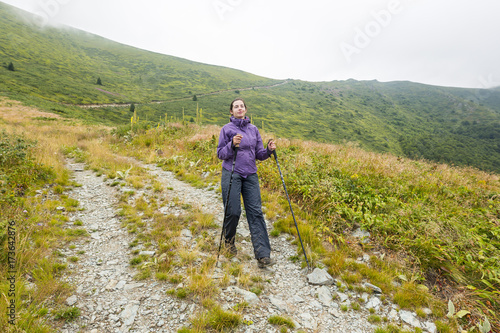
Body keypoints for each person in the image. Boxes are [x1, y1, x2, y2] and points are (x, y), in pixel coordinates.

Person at [217, 98, 276, 268]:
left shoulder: (253, 129)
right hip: (231, 172)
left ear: (245, 109)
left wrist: (268, 151)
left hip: (250, 175)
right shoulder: (226, 129)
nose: (239, 108)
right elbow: (220, 153)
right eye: (236, 106)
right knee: (233, 211)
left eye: (241, 106)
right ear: (231, 111)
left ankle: (263, 254)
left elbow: (259, 154)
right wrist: (231, 145)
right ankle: (229, 241)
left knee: (255, 212)